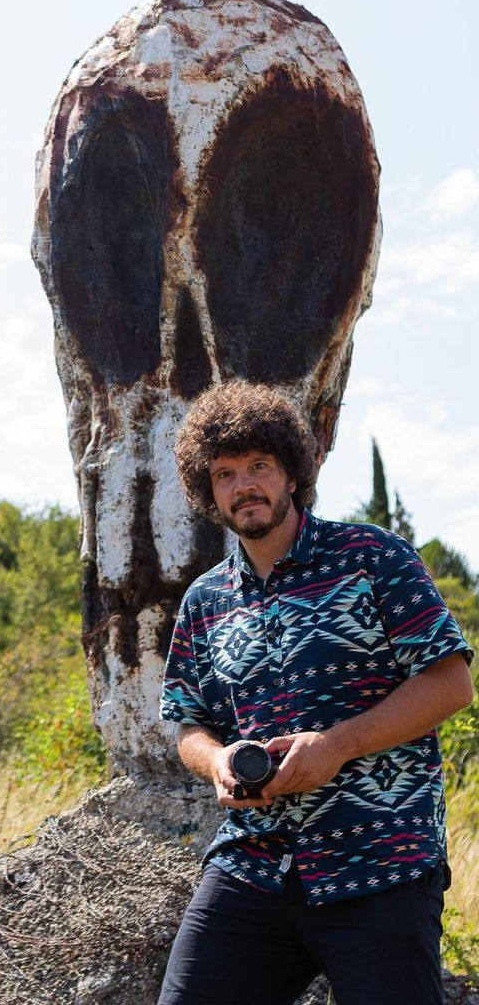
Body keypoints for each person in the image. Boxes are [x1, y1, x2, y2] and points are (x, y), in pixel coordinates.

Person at [157, 381, 473, 1005]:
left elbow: (451, 682)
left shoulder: (372, 556)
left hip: (380, 859)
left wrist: (337, 745)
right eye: (225, 474)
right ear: (208, 491)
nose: (244, 485)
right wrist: (216, 760)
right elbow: (187, 724)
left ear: (292, 474)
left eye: (259, 466)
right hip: (252, 863)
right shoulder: (205, 600)